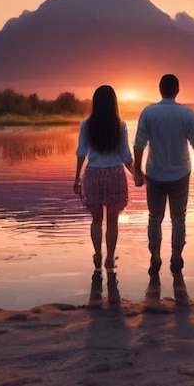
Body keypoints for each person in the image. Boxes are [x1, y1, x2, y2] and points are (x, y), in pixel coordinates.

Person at [133, 74, 194, 278]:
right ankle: (176, 257)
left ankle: (155, 257)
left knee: (154, 218)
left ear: (160, 90)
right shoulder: (187, 114)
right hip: (180, 174)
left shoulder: (148, 112)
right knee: (179, 218)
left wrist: (137, 171)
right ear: (177, 90)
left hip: (155, 173)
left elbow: (139, 144)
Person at [73, 85, 134, 273]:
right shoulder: (120, 125)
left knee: (96, 220)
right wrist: (137, 174)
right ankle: (109, 258)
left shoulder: (86, 124)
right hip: (114, 174)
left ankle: (98, 254)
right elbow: (125, 155)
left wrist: (77, 179)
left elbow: (82, 152)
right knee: (113, 221)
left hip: (93, 174)